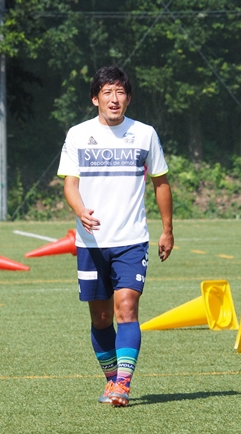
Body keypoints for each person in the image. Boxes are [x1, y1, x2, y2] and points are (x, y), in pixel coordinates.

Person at [57, 65, 174, 407]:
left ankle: (123, 384)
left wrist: (167, 230)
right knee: (101, 318)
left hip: (131, 240)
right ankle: (111, 380)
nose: (114, 99)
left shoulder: (145, 134)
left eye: (120, 92)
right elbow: (70, 184)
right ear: (95, 99)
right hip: (91, 243)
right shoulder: (78, 134)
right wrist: (80, 210)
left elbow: (161, 183)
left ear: (129, 98)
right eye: (107, 92)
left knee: (126, 308)